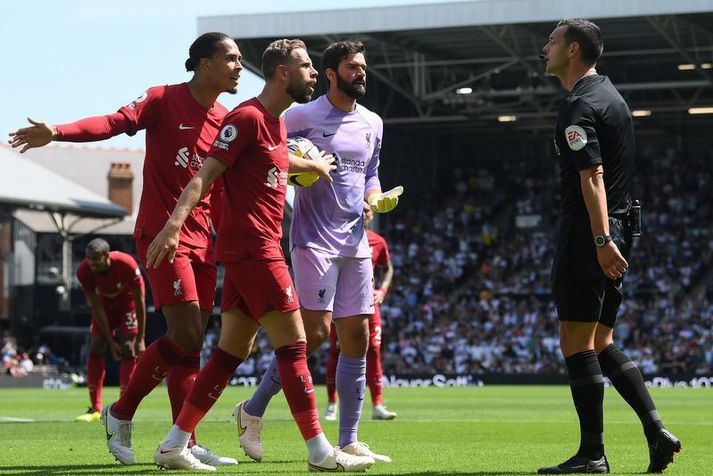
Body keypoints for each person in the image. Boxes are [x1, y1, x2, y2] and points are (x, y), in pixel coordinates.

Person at [8, 32, 240, 467]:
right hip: (162, 233)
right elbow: (112, 123)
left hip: (204, 240)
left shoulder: (228, 118)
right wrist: (56, 131)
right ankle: (120, 411)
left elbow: (228, 183)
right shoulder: (161, 99)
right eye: (230, 58)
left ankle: (182, 440)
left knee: (191, 345)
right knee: (185, 333)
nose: (239, 66)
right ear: (204, 64)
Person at [145, 38, 374, 472]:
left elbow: (277, 162)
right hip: (255, 249)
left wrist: (314, 167)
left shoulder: (277, 124)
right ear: (282, 73)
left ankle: (174, 443)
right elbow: (204, 174)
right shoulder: (246, 117)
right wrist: (173, 226)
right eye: (306, 66)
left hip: (253, 251)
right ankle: (320, 451)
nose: (313, 73)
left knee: (230, 352)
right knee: (295, 346)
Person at [234, 40, 400, 465]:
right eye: (352, 67)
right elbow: (273, 157)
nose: (361, 73)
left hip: (355, 242)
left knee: (357, 339)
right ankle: (252, 410)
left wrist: (374, 197)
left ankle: (349, 439)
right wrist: (302, 171)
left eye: (363, 66)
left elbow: (371, 172)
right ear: (331, 73)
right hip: (312, 240)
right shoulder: (301, 115)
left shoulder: (373, 122)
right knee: (314, 336)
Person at [539, 19, 681, 474]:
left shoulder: (577, 104)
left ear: (573, 49)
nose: (546, 48)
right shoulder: (613, 98)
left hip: (590, 233)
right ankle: (656, 431)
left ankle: (592, 454)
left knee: (575, 341)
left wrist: (599, 239)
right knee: (602, 340)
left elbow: (592, 176)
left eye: (553, 41)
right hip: (621, 228)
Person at [325, 202, 397, 421]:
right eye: (360, 210)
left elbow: (388, 268)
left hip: (369, 305)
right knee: (337, 353)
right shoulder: (338, 237)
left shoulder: (378, 241)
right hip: (342, 303)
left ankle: (377, 406)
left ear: (372, 215)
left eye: (367, 211)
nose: (364, 214)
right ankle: (331, 406)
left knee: (374, 351)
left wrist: (382, 290)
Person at [74, 239, 145, 423]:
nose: (92, 263)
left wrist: (141, 337)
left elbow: (140, 301)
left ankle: (124, 407)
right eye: (89, 259)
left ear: (107, 255)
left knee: (128, 348)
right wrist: (110, 340)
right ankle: (95, 409)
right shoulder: (83, 271)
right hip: (104, 305)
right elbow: (95, 306)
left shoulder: (126, 264)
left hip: (128, 303)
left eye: (96, 259)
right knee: (96, 346)